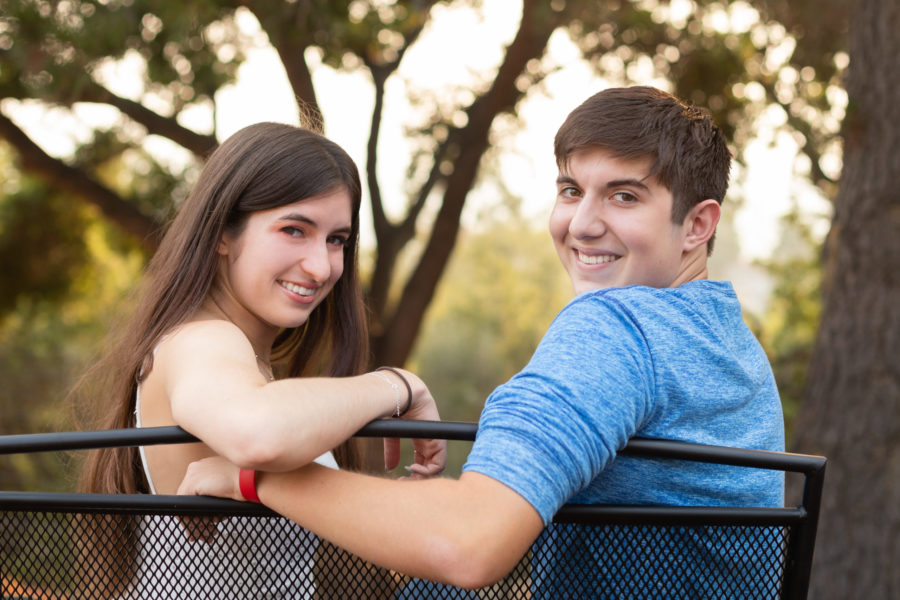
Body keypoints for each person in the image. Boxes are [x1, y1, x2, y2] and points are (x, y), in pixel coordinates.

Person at [178, 87, 785, 595]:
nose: (581, 223)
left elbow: (469, 544)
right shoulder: (729, 343)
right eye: (571, 190)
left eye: (624, 195)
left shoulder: (616, 330)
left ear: (698, 225)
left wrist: (259, 480)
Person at [75, 121, 445, 598]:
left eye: (337, 240)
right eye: (294, 230)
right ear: (222, 234)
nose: (321, 266)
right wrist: (398, 386)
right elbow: (258, 434)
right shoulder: (203, 340)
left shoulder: (248, 365)